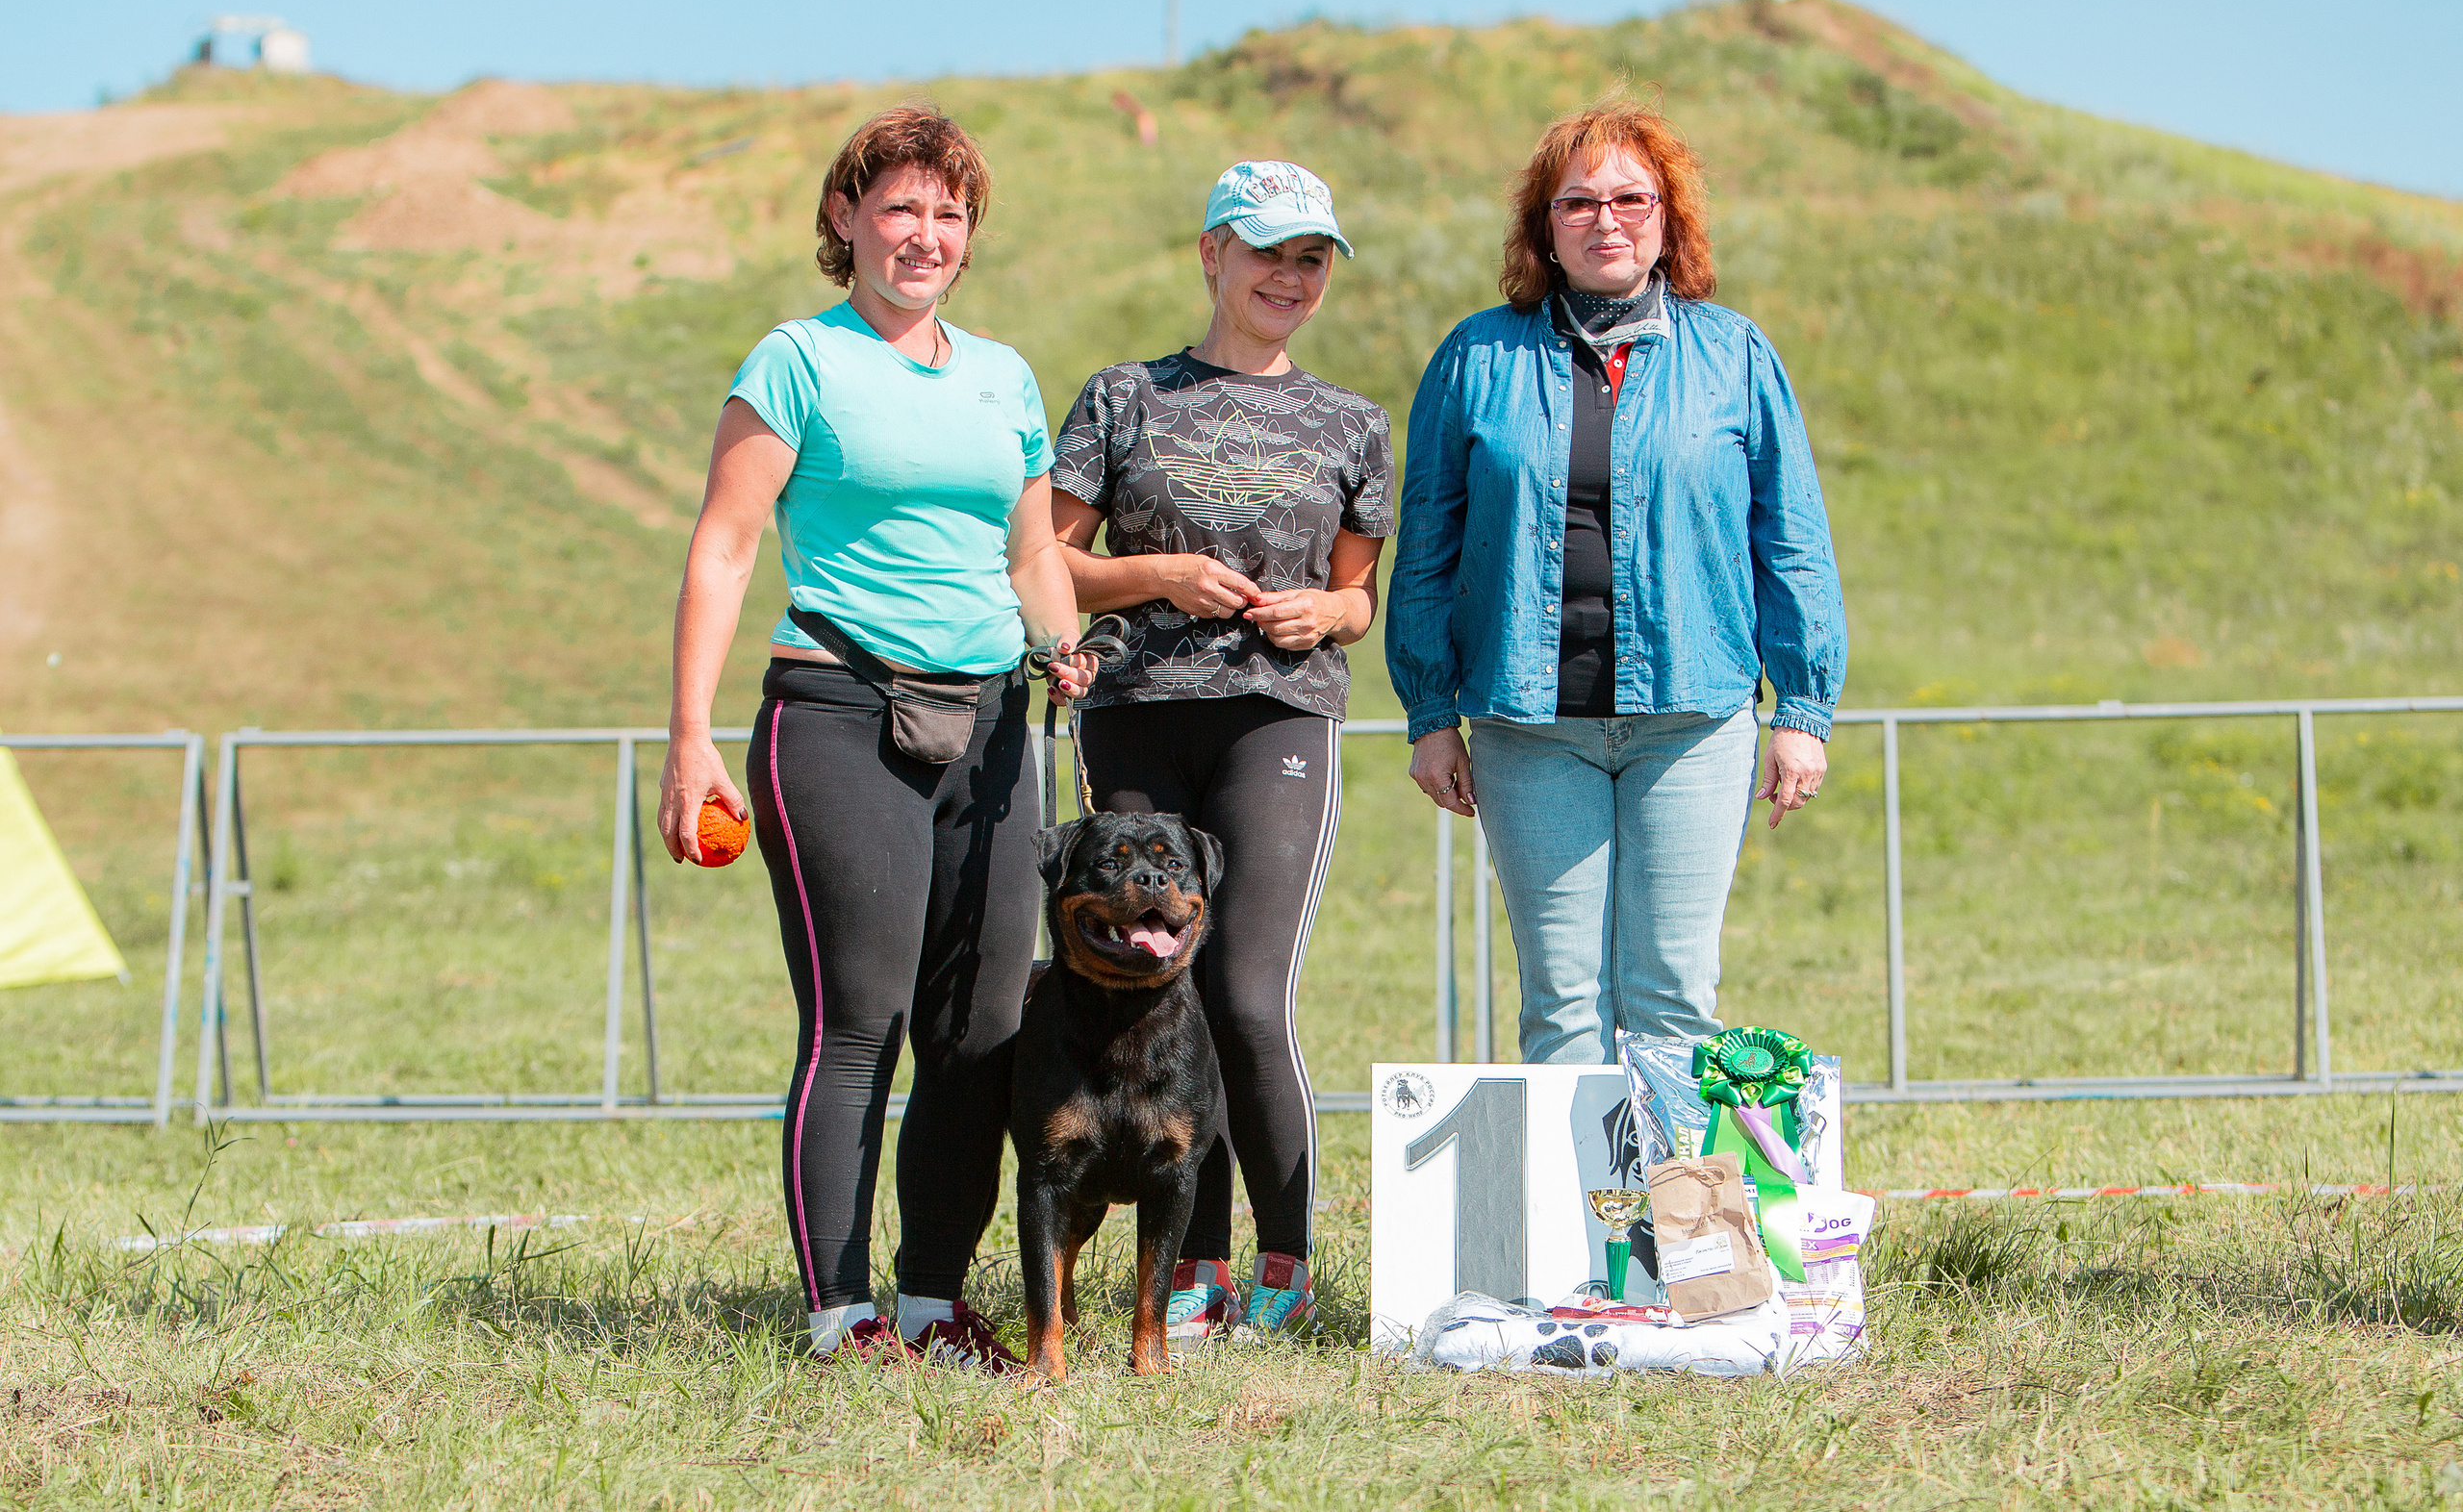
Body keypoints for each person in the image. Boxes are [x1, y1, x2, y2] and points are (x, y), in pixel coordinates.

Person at [656, 105, 1094, 1370]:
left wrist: (1062, 643)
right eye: (900, 207)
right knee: (860, 1020)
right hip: (838, 711)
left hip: (992, 727)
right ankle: (839, 1314)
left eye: (950, 214)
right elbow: (725, 545)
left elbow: (1031, 551)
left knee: (980, 1031)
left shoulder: (1004, 375)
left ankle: (929, 1305)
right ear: (845, 218)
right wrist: (688, 738)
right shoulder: (796, 360)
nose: (926, 234)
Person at [1384, 98, 1846, 1063]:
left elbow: (1792, 539)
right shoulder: (1476, 357)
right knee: (1562, 1004)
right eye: (1578, 202)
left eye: (1632, 199)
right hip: (1529, 729)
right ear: (1544, 228)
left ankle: (1669, 1176)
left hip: (1694, 722)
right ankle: (1579, 1177)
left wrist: (1803, 707)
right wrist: (1429, 712)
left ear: (1668, 217)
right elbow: (1425, 545)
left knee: (1672, 995)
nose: (1607, 220)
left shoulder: (1735, 354)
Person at [1050, 161, 1393, 1339]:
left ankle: (1285, 1260)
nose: (1288, 277)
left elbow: (1358, 598)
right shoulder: (1122, 396)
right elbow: (1050, 565)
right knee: (1165, 984)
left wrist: (1325, 611)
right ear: (1212, 256)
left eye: (1311, 259)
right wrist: (1159, 575)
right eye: (1266, 253)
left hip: (1278, 719)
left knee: (1246, 993)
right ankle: (1192, 1270)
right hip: (1135, 713)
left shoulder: (1353, 421)